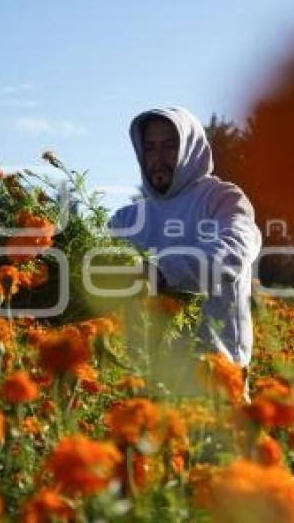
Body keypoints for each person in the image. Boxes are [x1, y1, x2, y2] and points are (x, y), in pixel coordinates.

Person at [107, 106, 263, 401]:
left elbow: (234, 249)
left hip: (214, 380)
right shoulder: (126, 220)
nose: (158, 158)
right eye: (149, 147)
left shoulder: (221, 198)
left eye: (169, 146)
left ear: (190, 148)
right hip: (146, 386)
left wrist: (159, 271)